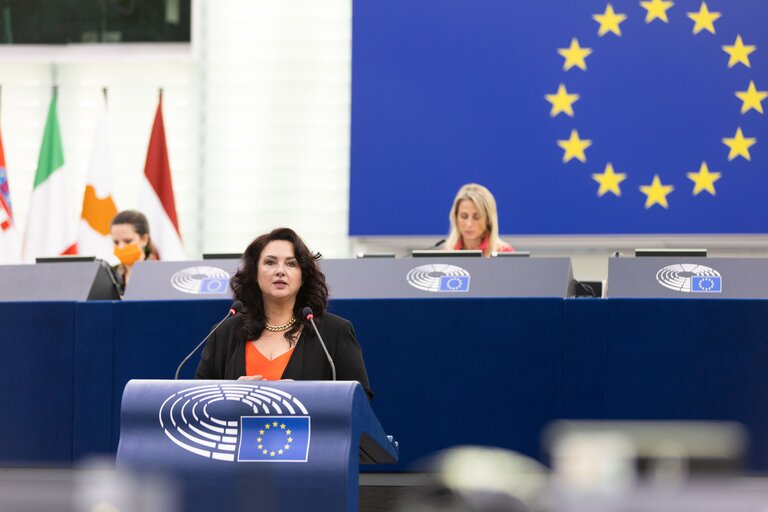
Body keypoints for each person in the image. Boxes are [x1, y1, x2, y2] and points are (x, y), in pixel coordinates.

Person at [195, 227, 373, 399]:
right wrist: (232, 395)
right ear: (255, 273)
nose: (280, 271)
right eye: (270, 262)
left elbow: (358, 401)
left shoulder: (334, 332)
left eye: (291, 263)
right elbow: (197, 399)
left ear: (302, 276)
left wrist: (303, 397)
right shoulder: (224, 332)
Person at [445, 183, 514, 257]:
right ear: (455, 217)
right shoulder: (447, 253)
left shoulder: (504, 254)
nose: (469, 224)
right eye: (464, 216)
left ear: (488, 219)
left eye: (476, 217)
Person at [110, 210, 158, 296]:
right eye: (116, 242)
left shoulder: (160, 273)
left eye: (128, 241)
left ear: (144, 239)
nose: (121, 247)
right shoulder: (109, 275)